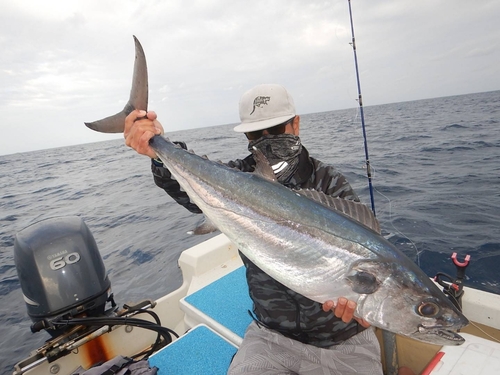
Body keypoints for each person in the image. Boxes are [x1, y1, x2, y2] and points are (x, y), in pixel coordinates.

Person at [124, 84, 383, 374]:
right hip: (271, 336)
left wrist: (365, 312)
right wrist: (157, 149)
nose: (266, 139)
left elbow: (370, 261)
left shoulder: (329, 182)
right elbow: (189, 186)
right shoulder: (236, 177)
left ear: (295, 124)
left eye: (275, 129)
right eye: (255, 134)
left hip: (342, 339)